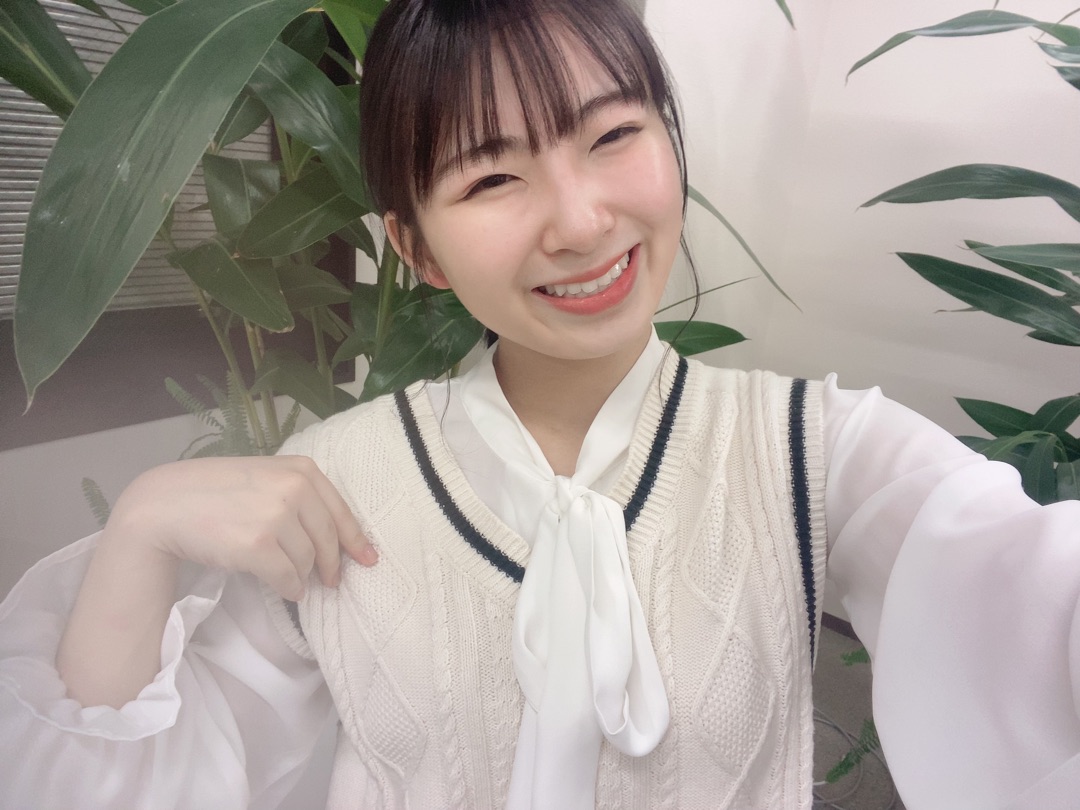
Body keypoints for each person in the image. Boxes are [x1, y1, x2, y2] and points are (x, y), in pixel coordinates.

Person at [1, 0, 1078, 807]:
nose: (580, 221)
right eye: (492, 179)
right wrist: (141, 531)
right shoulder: (334, 487)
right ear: (415, 246)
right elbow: (130, 784)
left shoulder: (817, 451)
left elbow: (1037, 605)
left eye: (613, 137)